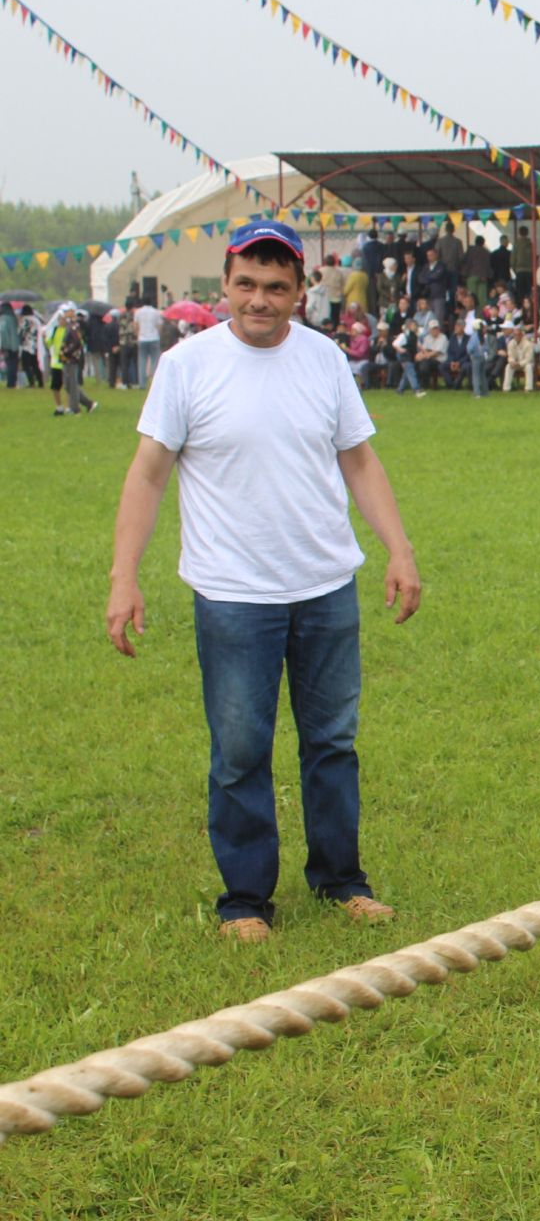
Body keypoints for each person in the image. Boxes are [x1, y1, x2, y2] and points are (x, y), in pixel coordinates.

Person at [105, 221, 420, 943]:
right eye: (246, 284)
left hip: (324, 587)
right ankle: (245, 900)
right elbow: (148, 474)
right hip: (232, 595)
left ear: (299, 292)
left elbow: (360, 462)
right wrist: (125, 577)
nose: (260, 300)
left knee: (333, 742)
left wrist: (398, 550)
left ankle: (342, 882)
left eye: (276, 287)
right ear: (226, 285)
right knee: (241, 749)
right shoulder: (188, 367)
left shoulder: (325, 360)